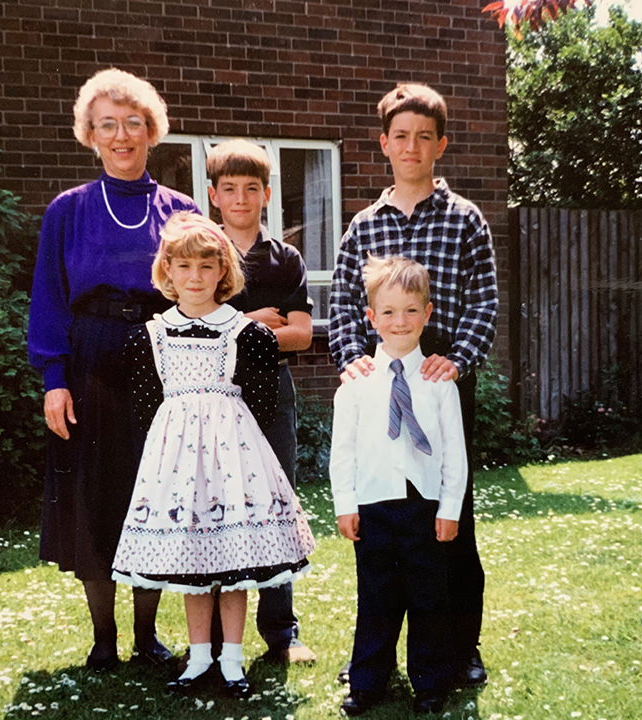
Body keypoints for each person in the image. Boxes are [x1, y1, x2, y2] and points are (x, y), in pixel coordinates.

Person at [28, 68, 200, 673]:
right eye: (108, 126)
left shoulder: (180, 210)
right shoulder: (67, 210)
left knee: (152, 493)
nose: (122, 136)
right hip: (90, 357)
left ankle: (148, 636)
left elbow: (200, 291)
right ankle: (104, 638)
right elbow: (48, 297)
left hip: (162, 354)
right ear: (91, 136)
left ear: (152, 131)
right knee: (95, 497)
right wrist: (54, 380)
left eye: (133, 123)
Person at [329, 83, 498, 688]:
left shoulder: (464, 220)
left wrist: (457, 359)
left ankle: (458, 647)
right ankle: (374, 658)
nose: (412, 146)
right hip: (378, 389)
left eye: (424, 136)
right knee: (382, 526)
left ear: (441, 145)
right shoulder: (363, 225)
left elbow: (484, 302)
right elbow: (345, 302)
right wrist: (351, 358)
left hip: (437, 381)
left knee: (450, 518)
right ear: (384, 144)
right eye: (401, 136)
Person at [111, 212, 316, 699]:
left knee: (234, 558)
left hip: (232, 458)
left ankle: (232, 659)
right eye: (184, 267)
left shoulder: (247, 334)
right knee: (193, 563)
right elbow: (146, 405)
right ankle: (198, 655)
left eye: (207, 267)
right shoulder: (151, 336)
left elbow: (262, 403)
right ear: (168, 272)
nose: (195, 277)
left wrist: (231, 439)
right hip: (177, 462)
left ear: (223, 273)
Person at [330, 255, 468, 715]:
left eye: (411, 310)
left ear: (428, 313)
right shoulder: (355, 383)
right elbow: (343, 451)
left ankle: (430, 680)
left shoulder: (439, 381)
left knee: (429, 596)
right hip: (373, 506)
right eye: (388, 312)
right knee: (376, 596)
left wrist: (450, 508)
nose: (400, 321)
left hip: (423, 507)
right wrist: (345, 504)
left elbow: (454, 452)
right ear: (371, 318)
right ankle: (368, 679)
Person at [205, 139, 317, 664]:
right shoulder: (201, 253)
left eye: (252, 188)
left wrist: (251, 331)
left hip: (272, 393)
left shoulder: (285, 258)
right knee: (211, 507)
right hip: (211, 398)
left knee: (276, 504)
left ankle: (282, 632)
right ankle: (208, 640)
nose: (241, 198)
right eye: (230, 189)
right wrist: (252, 323)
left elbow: (302, 334)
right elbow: (193, 329)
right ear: (213, 195)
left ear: (267, 194)